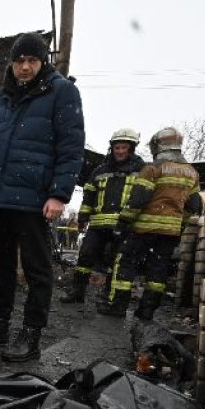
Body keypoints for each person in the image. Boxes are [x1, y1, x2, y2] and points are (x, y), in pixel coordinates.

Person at [0, 32, 85, 361]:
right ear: (12, 64)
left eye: (32, 60)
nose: (25, 67)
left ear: (42, 62)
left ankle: (31, 334)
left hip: (33, 198)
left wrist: (59, 194)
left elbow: (71, 147)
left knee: (36, 268)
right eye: (19, 61)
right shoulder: (3, 98)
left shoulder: (62, 92)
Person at [101, 127, 203, 319]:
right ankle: (147, 311)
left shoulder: (153, 168)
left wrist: (123, 223)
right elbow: (195, 205)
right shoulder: (192, 173)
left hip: (143, 229)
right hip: (170, 233)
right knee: (159, 270)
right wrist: (178, 224)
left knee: (125, 263)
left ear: (158, 145)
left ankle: (118, 307)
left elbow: (139, 199)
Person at [60, 128, 145, 304]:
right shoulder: (99, 170)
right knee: (85, 256)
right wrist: (83, 218)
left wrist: (129, 221)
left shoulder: (141, 170)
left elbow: (142, 197)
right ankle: (77, 292)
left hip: (124, 225)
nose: (120, 151)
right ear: (112, 149)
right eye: (117, 148)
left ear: (131, 149)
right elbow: (89, 195)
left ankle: (109, 296)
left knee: (116, 262)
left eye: (124, 148)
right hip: (98, 225)